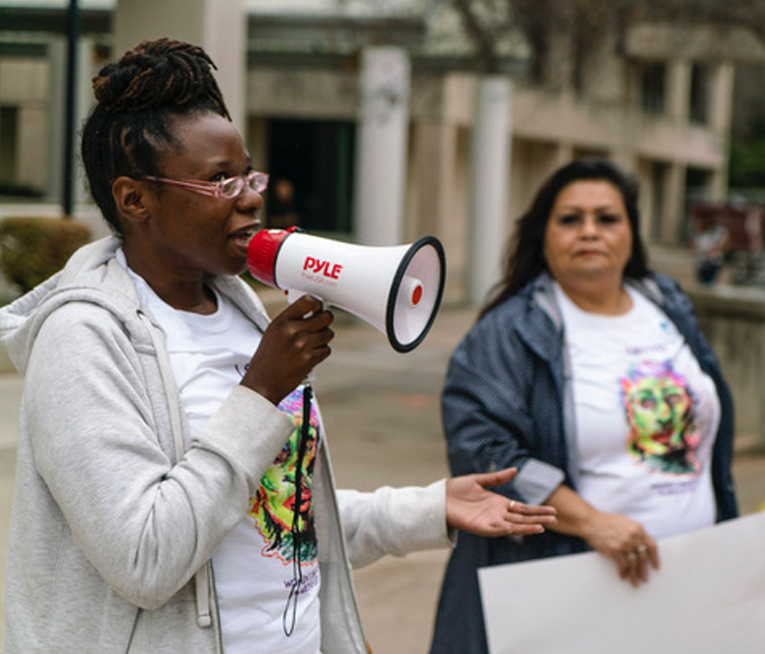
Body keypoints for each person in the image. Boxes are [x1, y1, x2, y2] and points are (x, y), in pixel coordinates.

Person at [0, 39, 556, 654]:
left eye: (247, 174)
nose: (250, 196)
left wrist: (429, 509)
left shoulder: (236, 311)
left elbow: (272, 517)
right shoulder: (83, 339)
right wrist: (261, 390)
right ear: (135, 199)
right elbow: (145, 559)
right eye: (219, 180)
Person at [429, 159, 738, 654]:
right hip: (572, 591)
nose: (590, 231)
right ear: (544, 235)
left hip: (687, 589)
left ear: (632, 233)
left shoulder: (668, 305)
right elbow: (484, 453)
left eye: (607, 218)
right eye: (571, 219)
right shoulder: (508, 333)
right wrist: (593, 523)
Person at [693, 210, 731, 285]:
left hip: (713, 262)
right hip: (702, 262)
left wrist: (715, 249)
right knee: (701, 282)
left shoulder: (720, 231)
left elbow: (724, 245)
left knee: (709, 282)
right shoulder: (702, 234)